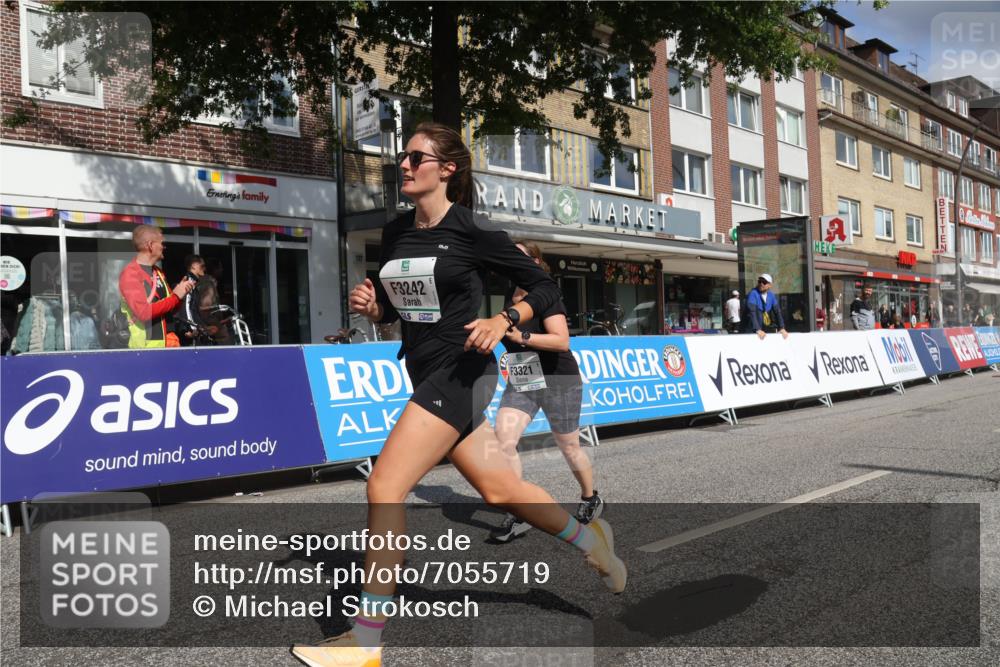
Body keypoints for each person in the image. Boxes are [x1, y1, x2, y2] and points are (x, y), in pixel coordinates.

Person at [292, 123, 626, 667]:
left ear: (446, 168)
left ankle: (365, 641)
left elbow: (545, 287)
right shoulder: (397, 233)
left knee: (385, 484)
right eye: (402, 156)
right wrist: (374, 308)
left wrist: (504, 317)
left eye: (415, 156)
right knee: (500, 491)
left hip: (464, 372)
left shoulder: (473, 231)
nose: (403, 164)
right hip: (426, 371)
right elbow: (408, 308)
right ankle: (593, 544)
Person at [489, 241, 601, 544]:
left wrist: (522, 336)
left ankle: (590, 497)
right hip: (524, 371)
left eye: (520, 255)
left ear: (536, 263)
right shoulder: (509, 294)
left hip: (557, 375)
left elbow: (561, 341)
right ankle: (519, 510)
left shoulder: (546, 294)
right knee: (503, 439)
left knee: (569, 446)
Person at [118, 225, 193, 348]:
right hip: (145, 350)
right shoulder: (130, 274)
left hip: (168, 345)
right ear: (150, 245)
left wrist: (180, 294)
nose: (164, 247)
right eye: (162, 243)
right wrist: (175, 297)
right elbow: (144, 313)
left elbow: (170, 308)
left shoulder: (157, 272)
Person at [179, 254, 231, 345]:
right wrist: (193, 329)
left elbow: (194, 310)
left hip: (196, 330)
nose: (205, 269)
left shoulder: (194, 283)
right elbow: (186, 307)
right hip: (191, 333)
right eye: (202, 266)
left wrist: (203, 328)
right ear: (193, 266)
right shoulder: (189, 282)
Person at [746, 273, 788, 340]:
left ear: (770, 285)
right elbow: (752, 312)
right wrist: (757, 329)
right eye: (759, 281)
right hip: (751, 331)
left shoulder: (771, 295)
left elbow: (777, 312)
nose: (761, 284)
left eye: (764, 282)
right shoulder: (753, 293)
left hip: (763, 330)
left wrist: (782, 328)